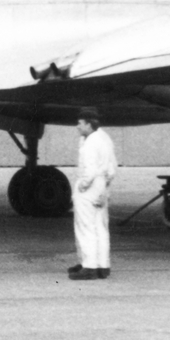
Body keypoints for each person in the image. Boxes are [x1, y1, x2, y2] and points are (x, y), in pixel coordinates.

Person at [69, 107, 119, 281]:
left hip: (89, 186)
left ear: (88, 124)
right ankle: (102, 266)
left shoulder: (90, 142)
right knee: (100, 226)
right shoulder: (104, 138)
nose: (77, 126)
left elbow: (89, 170)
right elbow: (112, 167)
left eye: (80, 123)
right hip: (102, 185)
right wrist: (105, 189)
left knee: (85, 226)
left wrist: (83, 185)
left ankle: (89, 266)